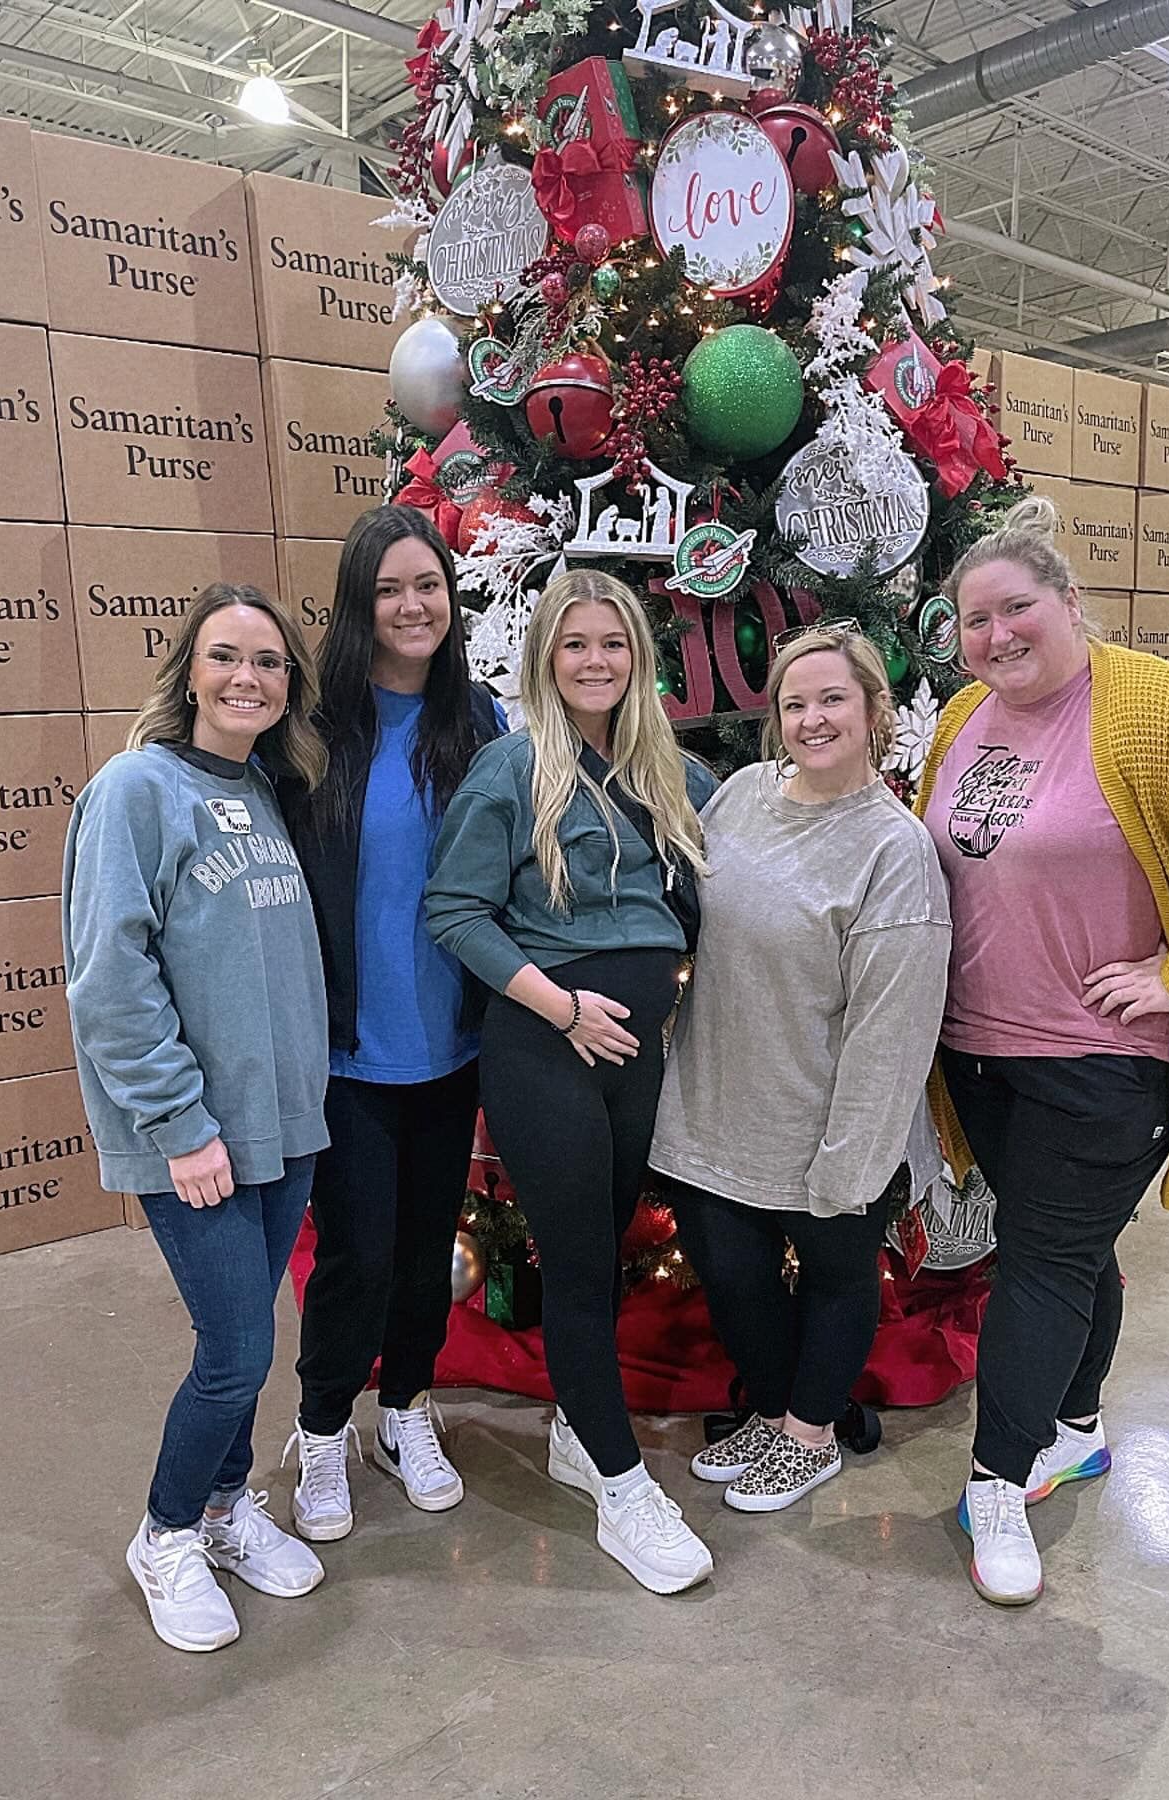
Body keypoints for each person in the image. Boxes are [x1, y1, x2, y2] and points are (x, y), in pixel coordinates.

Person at [915, 495, 1169, 1608]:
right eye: (973, 620)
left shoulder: (1149, 704)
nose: (997, 635)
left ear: (1069, 604)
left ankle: (1000, 1482)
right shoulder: (964, 720)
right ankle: (1079, 1426)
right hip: (982, 1056)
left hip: (1103, 1063)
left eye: (1017, 609)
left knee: (1041, 1263)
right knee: (1071, 1246)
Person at [425, 568, 718, 1595]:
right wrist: (562, 1008)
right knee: (581, 1258)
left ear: (638, 658)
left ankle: (574, 1437)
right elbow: (453, 911)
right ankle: (625, 1489)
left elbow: (759, 845)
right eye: (574, 644)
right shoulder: (512, 771)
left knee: (598, 1256)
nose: (596, 662)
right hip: (548, 1046)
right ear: (546, 657)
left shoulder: (670, 772)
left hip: (638, 1053)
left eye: (614, 644)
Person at [62, 584, 331, 1653]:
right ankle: (166, 1531)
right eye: (227, 657)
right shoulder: (134, 790)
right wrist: (180, 1124)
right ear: (189, 670)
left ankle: (225, 1511)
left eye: (269, 663)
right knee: (235, 1350)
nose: (247, 679)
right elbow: (107, 981)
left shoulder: (263, 791)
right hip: (199, 1136)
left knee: (247, 1345)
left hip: (280, 1124)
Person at [649, 625, 950, 1512]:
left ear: (872, 711)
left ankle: (811, 1433)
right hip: (712, 1107)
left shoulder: (894, 854)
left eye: (832, 701)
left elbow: (891, 1030)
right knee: (733, 1279)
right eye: (794, 704)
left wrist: (851, 1160)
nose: (812, 720)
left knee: (832, 1279)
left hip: (822, 1122)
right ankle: (778, 1410)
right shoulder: (741, 794)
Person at [281, 506, 504, 1542]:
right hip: (346, 1050)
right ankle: (323, 1426)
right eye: (389, 589)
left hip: (450, 1043)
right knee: (356, 1256)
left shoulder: (483, 724)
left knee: (424, 1252)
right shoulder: (313, 731)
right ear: (359, 605)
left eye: (429, 585)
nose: (413, 606)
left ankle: (406, 1410)